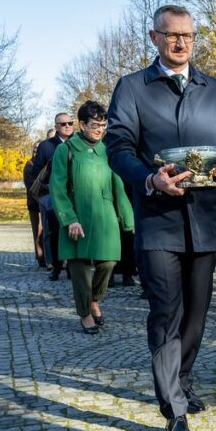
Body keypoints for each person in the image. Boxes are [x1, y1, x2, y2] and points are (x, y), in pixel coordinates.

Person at [105, 4, 216, 431]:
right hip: (158, 218)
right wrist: (149, 179)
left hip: (203, 217)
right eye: (171, 35)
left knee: (197, 312)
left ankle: (183, 379)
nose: (180, 42)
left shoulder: (212, 88)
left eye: (188, 35)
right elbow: (118, 147)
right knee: (166, 311)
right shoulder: (132, 87)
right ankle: (173, 411)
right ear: (154, 37)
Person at [49, 100, 134, 335]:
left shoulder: (108, 150)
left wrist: (128, 219)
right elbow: (57, 188)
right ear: (82, 124)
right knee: (80, 268)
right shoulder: (65, 150)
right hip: (76, 217)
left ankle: (94, 298)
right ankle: (85, 312)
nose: (100, 130)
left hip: (105, 216)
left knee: (109, 262)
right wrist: (69, 219)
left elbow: (118, 185)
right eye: (95, 125)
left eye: (103, 125)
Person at [33, 113, 76, 279]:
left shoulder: (78, 142)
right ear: (56, 126)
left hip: (75, 194)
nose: (67, 126)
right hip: (53, 195)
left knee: (74, 229)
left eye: (70, 123)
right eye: (63, 124)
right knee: (54, 231)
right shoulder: (46, 146)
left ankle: (73, 267)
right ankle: (56, 267)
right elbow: (37, 171)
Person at [22, 143, 45, 267]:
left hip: (44, 202)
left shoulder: (43, 163)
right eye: (35, 149)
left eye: (38, 149)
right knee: (38, 231)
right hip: (35, 204)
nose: (36, 152)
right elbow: (32, 187)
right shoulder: (29, 165)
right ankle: (41, 258)